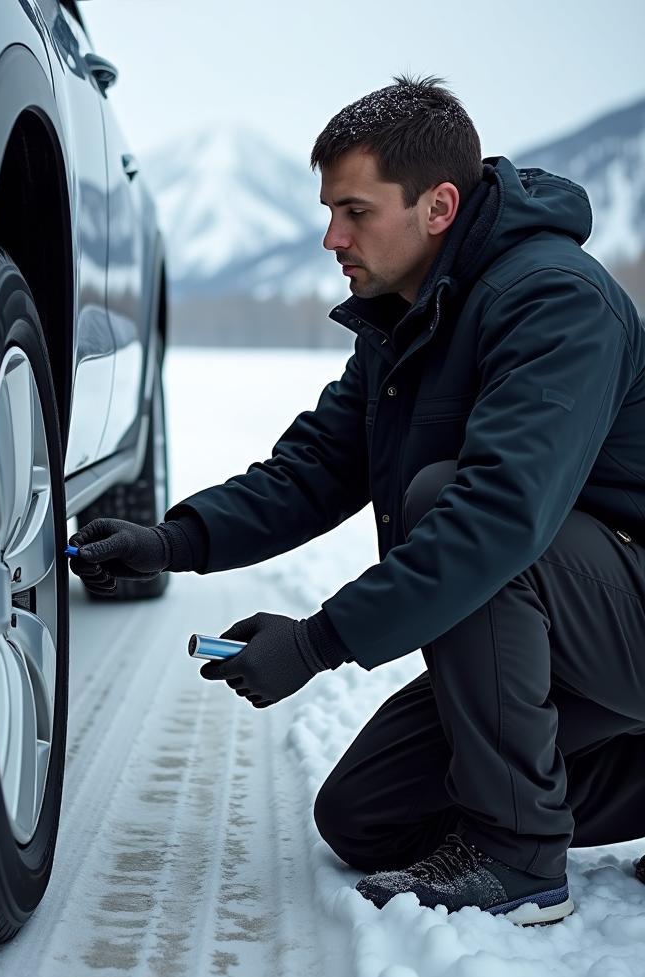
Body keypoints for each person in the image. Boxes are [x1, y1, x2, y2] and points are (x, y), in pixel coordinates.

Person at [68, 74, 645, 926]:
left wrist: (317, 642)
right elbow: (312, 469)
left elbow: (497, 520)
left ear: (438, 206)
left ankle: (521, 860)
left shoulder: (556, 300)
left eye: (355, 211)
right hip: (576, 628)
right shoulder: (413, 314)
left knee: (449, 501)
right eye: (329, 210)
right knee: (367, 815)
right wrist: (171, 541)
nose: (332, 236)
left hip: (618, 610)